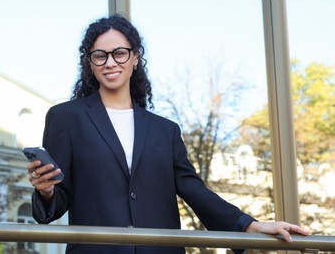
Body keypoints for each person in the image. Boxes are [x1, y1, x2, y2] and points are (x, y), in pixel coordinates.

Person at [27, 14, 309, 254]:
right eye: (99, 56)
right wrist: (47, 190)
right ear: (90, 63)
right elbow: (58, 200)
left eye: (119, 53)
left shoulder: (165, 130)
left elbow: (194, 190)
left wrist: (251, 225)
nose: (110, 63)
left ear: (135, 57)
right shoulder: (66, 117)